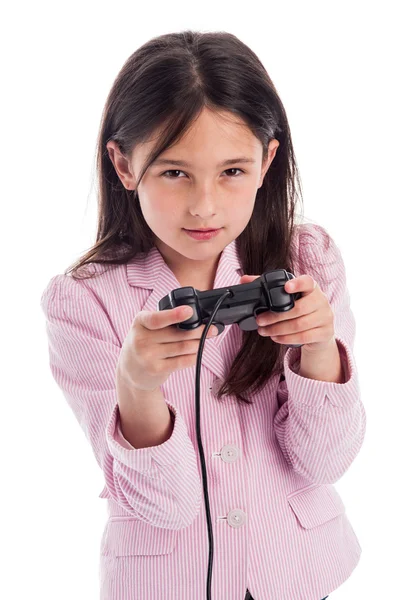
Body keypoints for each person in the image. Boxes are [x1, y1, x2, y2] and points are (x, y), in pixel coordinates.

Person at [40, 30, 366, 600]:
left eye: (232, 171)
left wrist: (317, 350)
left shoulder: (307, 261)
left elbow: (324, 464)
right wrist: (138, 389)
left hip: (299, 576)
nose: (205, 205)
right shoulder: (84, 301)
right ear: (123, 164)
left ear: (268, 160)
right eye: (174, 173)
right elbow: (167, 506)